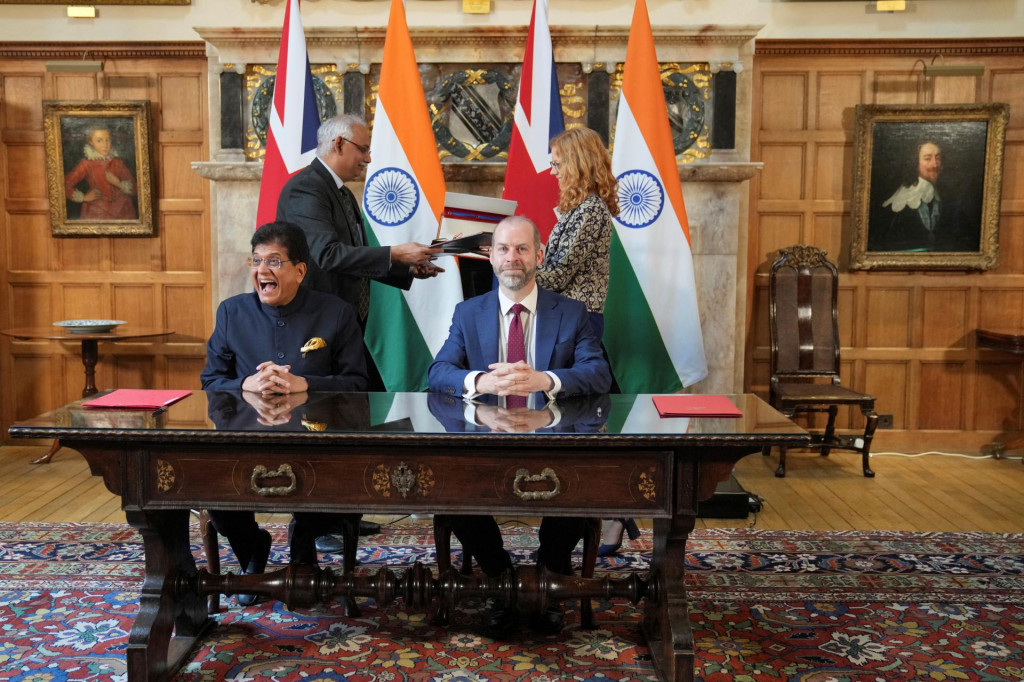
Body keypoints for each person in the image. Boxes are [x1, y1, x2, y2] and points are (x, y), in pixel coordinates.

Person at [428, 215, 611, 637]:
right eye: (504, 249)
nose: (513, 258)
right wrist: (480, 381)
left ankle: (549, 579)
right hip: (483, 441)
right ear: (490, 257)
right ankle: (498, 579)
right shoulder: (468, 312)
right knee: (450, 483)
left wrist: (546, 380)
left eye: (522, 249)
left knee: (581, 480)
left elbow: (598, 373)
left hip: (554, 441)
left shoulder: (571, 312)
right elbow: (438, 372)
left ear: (539, 256)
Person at [276, 113, 441, 549]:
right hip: (314, 330)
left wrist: (404, 268)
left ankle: (341, 515)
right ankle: (310, 528)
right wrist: (394, 252)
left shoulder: (341, 193)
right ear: (339, 145)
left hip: (344, 326)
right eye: (363, 150)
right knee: (316, 426)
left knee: (350, 421)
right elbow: (328, 255)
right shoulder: (305, 188)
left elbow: (356, 257)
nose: (368, 159)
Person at [200, 221, 368, 605]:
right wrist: (245, 384)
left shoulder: (336, 313)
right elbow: (210, 380)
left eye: (274, 261)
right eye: (257, 261)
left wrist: (305, 385)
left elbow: (359, 384)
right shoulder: (232, 313)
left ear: (300, 270)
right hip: (246, 437)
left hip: (319, 439)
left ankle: (303, 546)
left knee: (325, 477)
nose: (262, 270)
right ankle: (250, 549)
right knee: (210, 481)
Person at [540, 127, 636, 556]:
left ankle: (612, 512)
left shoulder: (591, 211)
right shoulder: (578, 211)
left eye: (557, 162)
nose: (552, 169)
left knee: (586, 427)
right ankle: (610, 513)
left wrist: (499, 258)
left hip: (580, 327)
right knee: (587, 424)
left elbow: (557, 277)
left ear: (577, 162)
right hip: (566, 323)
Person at [871, 139, 978, 253]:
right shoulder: (900, 202)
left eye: (938, 158)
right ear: (915, 163)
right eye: (927, 159)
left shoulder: (946, 196)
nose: (935, 164)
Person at [64, 126, 138, 220]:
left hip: (123, 210)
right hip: (96, 211)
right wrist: (83, 197)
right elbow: (65, 185)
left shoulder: (118, 162)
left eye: (107, 140)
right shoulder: (86, 164)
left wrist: (119, 184)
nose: (105, 145)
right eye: (99, 141)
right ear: (91, 142)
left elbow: (136, 189)